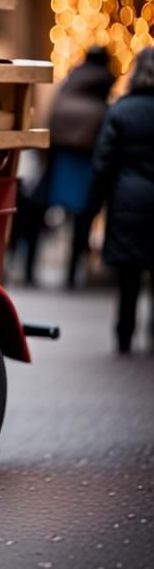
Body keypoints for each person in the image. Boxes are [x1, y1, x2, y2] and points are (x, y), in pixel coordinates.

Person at [87, 47, 154, 355]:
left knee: (128, 276)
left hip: (128, 199)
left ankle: (124, 337)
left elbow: (103, 164)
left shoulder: (120, 111)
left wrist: (94, 203)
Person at [38, 46, 114, 287]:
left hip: (62, 155)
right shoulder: (104, 84)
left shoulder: (71, 80)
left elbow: (51, 120)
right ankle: (73, 272)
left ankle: (32, 267)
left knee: (50, 211)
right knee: (83, 218)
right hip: (87, 159)